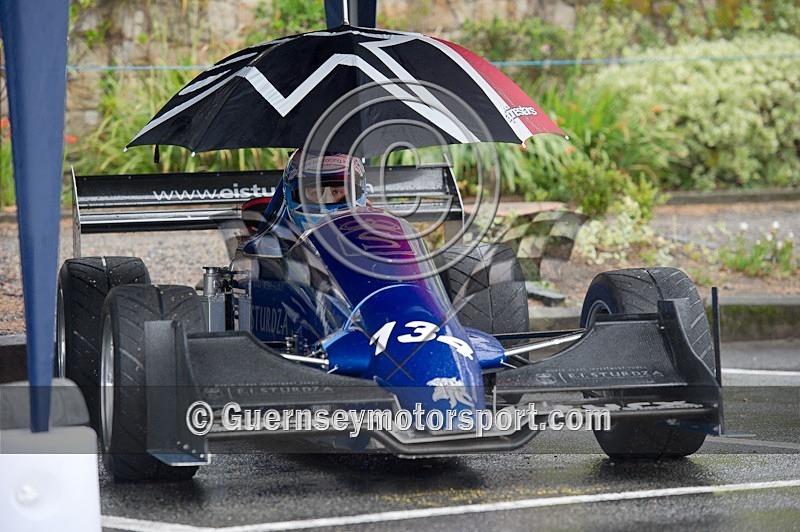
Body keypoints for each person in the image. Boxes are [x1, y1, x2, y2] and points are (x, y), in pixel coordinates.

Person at [282, 149, 367, 231]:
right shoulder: (276, 241)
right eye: (316, 193)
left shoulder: (375, 226)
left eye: (336, 192)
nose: (327, 200)